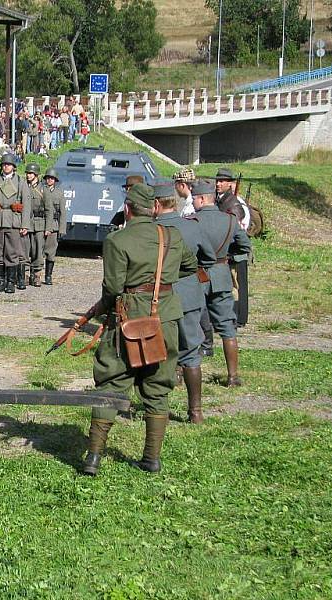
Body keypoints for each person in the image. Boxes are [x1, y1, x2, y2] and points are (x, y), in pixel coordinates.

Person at [81, 183, 198, 477]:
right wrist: (161, 283)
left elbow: (112, 288)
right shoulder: (171, 235)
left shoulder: (117, 240)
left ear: (128, 208)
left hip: (127, 320)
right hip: (165, 320)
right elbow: (191, 266)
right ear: (155, 208)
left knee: (110, 383)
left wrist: (103, 309)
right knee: (158, 386)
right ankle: (151, 459)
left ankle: (93, 458)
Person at [153, 182, 217, 423]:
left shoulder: (151, 230)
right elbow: (209, 258)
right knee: (191, 353)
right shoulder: (192, 227)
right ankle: (196, 412)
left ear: (156, 204)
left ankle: (159, 409)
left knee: (160, 353)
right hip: (190, 296)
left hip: (159, 298)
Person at [192, 178, 252, 387]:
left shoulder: (192, 221)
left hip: (197, 277)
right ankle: (233, 376)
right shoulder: (230, 221)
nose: (192, 203)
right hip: (221, 275)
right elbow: (244, 246)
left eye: (194, 199)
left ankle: (183, 373)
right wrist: (226, 255)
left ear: (201, 198)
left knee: (189, 326)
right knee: (227, 327)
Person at [0, 153, 31, 293]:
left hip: (13, 221)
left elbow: (27, 204)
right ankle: (0, 281)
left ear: (13, 166)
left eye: (9, 164)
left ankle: (11, 282)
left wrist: (25, 224)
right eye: (4, 164)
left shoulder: (20, 181)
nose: (6, 166)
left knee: (12, 253)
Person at [214, 167, 251, 328]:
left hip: (234, 251)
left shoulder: (233, 203)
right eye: (217, 180)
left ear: (230, 184)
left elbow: (235, 229)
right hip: (226, 251)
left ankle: (235, 318)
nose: (218, 183)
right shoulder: (221, 200)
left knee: (235, 286)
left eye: (222, 181)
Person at [23, 163, 50, 287]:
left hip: (39, 223)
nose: (28, 175)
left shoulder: (44, 189)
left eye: (31, 173)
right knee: (25, 249)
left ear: (36, 175)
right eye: (27, 173)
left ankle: (37, 274)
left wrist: (48, 227)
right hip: (26, 222)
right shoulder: (23, 186)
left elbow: (49, 209)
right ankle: (25, 274)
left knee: (38, 250)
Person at [42, 168, 65, 285]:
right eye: (47, 178)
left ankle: (48, 275)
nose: (49, 180)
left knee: (51, 252)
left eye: (51, 178)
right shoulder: (41, 190)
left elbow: (62, 212)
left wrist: (62, 229)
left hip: (54, 225)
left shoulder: (59, 193)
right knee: (38, 250)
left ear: (55, 180)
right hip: (41, 222)